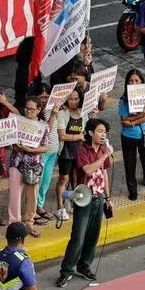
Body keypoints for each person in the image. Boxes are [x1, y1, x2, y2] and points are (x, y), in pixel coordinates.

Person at [56, 118, 113, 288]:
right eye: (100, 131)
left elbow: (104, 174)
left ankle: (84, 265)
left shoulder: (103, 150)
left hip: (98, 197)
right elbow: (88, 169)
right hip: (83, 198)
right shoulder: (83, 150)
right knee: (78, 237)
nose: (103, 135)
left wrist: (108, 198)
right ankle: (66, 271)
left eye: (105, 132)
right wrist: (105, 155)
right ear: (90, 133)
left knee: (92, 236)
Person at [8, 97, 51, 237]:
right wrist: (16, 146)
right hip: (17, 162)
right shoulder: (18, 122)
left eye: (31, 109)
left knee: (32, 195)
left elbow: (46, 147)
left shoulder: (43, 126)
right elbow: (9, 142)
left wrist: (31, 149)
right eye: (26, 108)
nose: (28, 111)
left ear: (38, 110)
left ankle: (29, 222)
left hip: (33, 164)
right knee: (15, 195)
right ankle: (14, 223)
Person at [119, 69, 145, 202]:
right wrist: (139, 117)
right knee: (129, 165)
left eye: (136, 80)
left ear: (142, 81)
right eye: (131, 81)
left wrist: (133, 121)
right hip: (128, 137)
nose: (134, 82)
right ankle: (133, 191)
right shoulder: (124, 100)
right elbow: (123, 120)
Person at [55, 87, 86, 219]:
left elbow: (87, 130)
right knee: (64, 178)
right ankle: (60, 207)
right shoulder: (62, 113)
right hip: (66, 152)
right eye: (70, 99)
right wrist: (78, 137)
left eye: (76, 99)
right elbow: (62, 136)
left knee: (76, 179)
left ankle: (71, 202)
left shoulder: (83, 113)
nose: (73, 101)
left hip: (79, 152)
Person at [33, 83, 60, 221]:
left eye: (47, 97)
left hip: (53, 151)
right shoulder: (35, 113)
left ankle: (40, 206)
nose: (44, 100)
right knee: (37, 182)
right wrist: (53, 115)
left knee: (46, 182)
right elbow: (46, 131)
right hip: (42, 152)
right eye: (41, 97)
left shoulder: (53, 107)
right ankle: (33, 210)